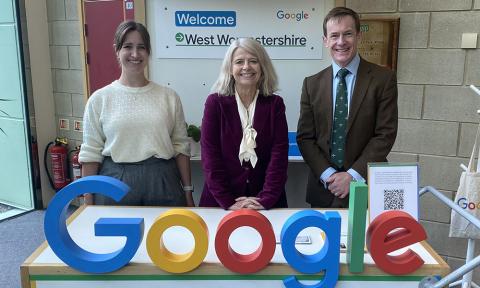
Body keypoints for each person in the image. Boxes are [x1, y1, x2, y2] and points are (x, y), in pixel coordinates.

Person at [79, 21, 194, 207]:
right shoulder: (99, 99)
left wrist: (188, 192)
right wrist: (88, 199)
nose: (135, 54)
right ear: (117, 50)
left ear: (148, 52)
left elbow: (181, 147)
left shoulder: (169, 97)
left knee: (168, 235)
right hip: (115, 179)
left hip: (162, 179)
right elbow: (91, 153)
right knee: (114, 236)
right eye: (127, 47)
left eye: (141, 47)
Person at [297, 7, 398, 208]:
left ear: (358, 36)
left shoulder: (383, 79)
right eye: (334, 35)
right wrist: (330, 176)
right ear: (325, 40)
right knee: (323, 239)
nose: (341, 42)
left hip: (365, 187)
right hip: (323, 188)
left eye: (348, 34)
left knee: (364, 240)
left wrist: (352, 176)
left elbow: (385, 134)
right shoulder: (311, 84)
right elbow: (305, 137)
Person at [200, 38, 289, 210]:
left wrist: (265, 199)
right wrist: (228, 202)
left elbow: (279, 156)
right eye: (239, 62)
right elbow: (210, 156)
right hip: (220, 203)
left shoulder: (275, 104)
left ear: (262, 67)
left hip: (266, 204)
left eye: (253, 61)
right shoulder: (215, 103)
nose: (246, 67)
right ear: (230, 68)